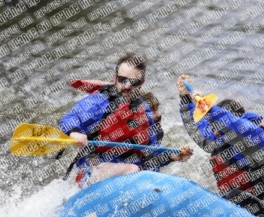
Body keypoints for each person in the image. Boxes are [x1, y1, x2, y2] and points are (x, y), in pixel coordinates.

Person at [59, 53, 192, 187]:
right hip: (93, 171)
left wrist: (171, 156)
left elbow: (149, 152)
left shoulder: (145, 111)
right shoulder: (99, 102)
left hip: (130, 173)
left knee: (143, 172)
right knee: (132, 170)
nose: (127, 85)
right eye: (123, 79)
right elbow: (69, 119)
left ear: (141, 83)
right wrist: (75, 133)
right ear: (115, 77)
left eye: (134, 82)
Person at [176, 75, 264, 217]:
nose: (214, 130)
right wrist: (185, 98)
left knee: (234, 195)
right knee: (229, 197)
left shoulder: (255, 137)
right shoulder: (218, 139)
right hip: (240, 207)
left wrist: (207, 107)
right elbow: (198, 129)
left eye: (217, 125)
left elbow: (234, 126)